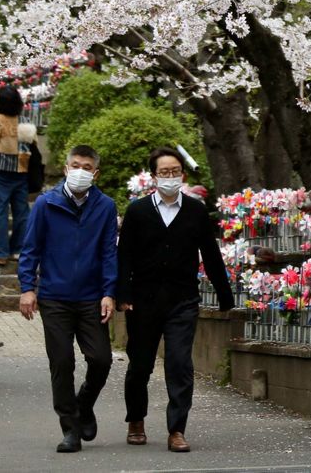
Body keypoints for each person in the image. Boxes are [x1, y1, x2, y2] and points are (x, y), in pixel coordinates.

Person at [116, 146, 233, 453]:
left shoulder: (195, 211)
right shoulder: (138, 211)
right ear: (153, 176)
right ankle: (136, 420)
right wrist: (123, 294)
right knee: (140, 365)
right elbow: (124, 255)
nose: (170, 177)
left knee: (180, 364)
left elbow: (211, 254)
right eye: (164, 172)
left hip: (182, 299)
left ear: (182, 174)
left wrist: (225, 295)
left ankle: (177, 429)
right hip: (143, 300)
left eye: (175, 172)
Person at [18, 144, 117, 454]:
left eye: (87, 167)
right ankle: (70, 428)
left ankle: (84, 404)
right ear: (65, 168)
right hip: (54, 297)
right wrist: (27, 287)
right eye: (75, 165)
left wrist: (109, 292)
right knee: (61, 363)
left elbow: (109, 252)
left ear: (95, 173)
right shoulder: (46, 204)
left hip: (90, 296)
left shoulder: (105, 206)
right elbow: (30, 247)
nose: (80, 171)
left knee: (101, 359)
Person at [0, 84, 37, 267]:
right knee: (22, 213)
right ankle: (17, 249)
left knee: (0, 212)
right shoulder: (24, 120)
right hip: (22, 171)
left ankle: (1, 252)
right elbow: (34, 144)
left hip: (1, 171)